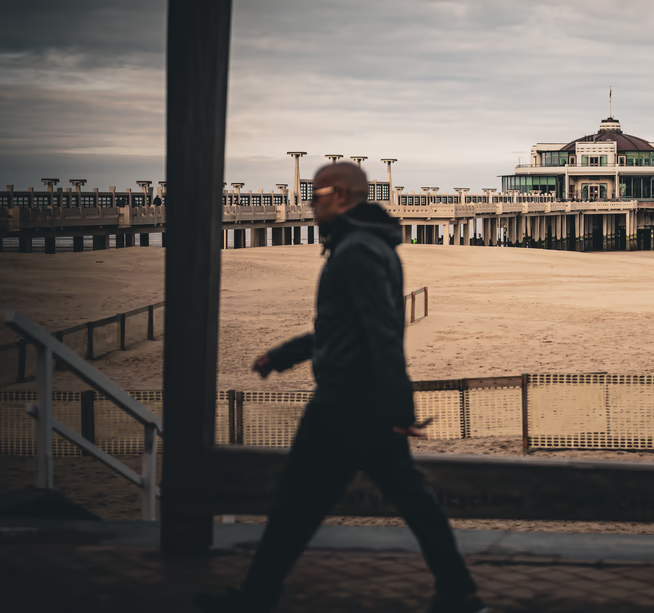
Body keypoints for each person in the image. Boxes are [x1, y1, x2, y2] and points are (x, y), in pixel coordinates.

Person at [195, 162, 487, 613]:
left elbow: (383, 334)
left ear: (343, 196)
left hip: (349, 404)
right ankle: (457, 592)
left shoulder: (357, 252)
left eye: (316, 194)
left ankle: (258, 597)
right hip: (357, 402)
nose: (309, 203)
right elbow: (342, 329)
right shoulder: (362, 246)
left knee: (303, 503)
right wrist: (284, 356)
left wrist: (399, 411)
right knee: (397, 500)